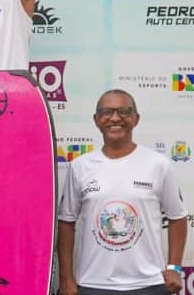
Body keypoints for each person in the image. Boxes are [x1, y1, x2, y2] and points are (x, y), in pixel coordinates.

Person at [57, 89, 187, 295]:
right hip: (93, 285)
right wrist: (66, 278)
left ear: (136, 119)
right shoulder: (80, 167)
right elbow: (66, 223)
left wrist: (174, 267)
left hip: (148, 285)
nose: (115, 118)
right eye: (106, 112)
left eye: (124, 111)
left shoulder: (159, 165)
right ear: (96, 120)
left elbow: (177, 218)